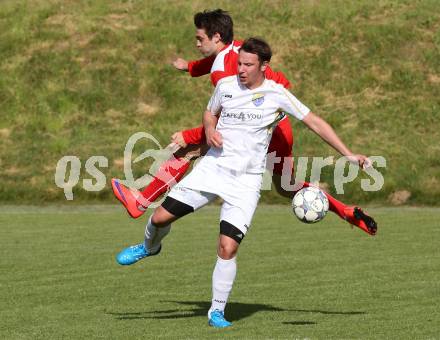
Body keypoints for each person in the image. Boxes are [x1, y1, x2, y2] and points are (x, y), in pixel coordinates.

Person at [115, 37, 375, 328]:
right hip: (212, 170)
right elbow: (209, 112)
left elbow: (315, 122)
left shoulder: (276, 94)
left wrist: (349, 154)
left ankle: (216, 312)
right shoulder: (225, 86)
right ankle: (150, 248)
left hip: (245, 183)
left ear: (264, 66)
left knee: (228, 247)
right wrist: (211, 129)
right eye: (239, 63)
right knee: (160, 218)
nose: (241, 69)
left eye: (248, 65)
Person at [111, 9, 377, 235]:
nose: (197, 44)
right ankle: (344, 210)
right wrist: (190, 67)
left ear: (216, 37)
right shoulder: (238, 50)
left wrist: (192, 135)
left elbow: (228, 113)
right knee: (287, 187)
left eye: (199, 38)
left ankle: (142, 201)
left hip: (258, 129)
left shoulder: (226, 71)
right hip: (280, 127)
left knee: (188, 149)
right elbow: (213, 61)